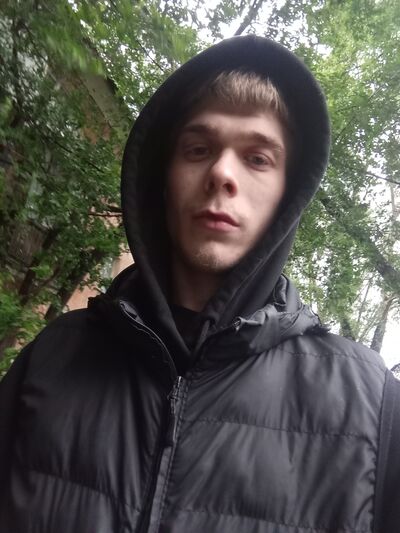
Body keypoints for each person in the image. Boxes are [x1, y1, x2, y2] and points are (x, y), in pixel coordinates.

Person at [0, 35, 399, 533]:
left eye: (258, 158)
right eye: (198, 149)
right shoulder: (53, 356)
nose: (221, 173)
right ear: (162, 178)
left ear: (287, 195)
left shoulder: (371, 407)